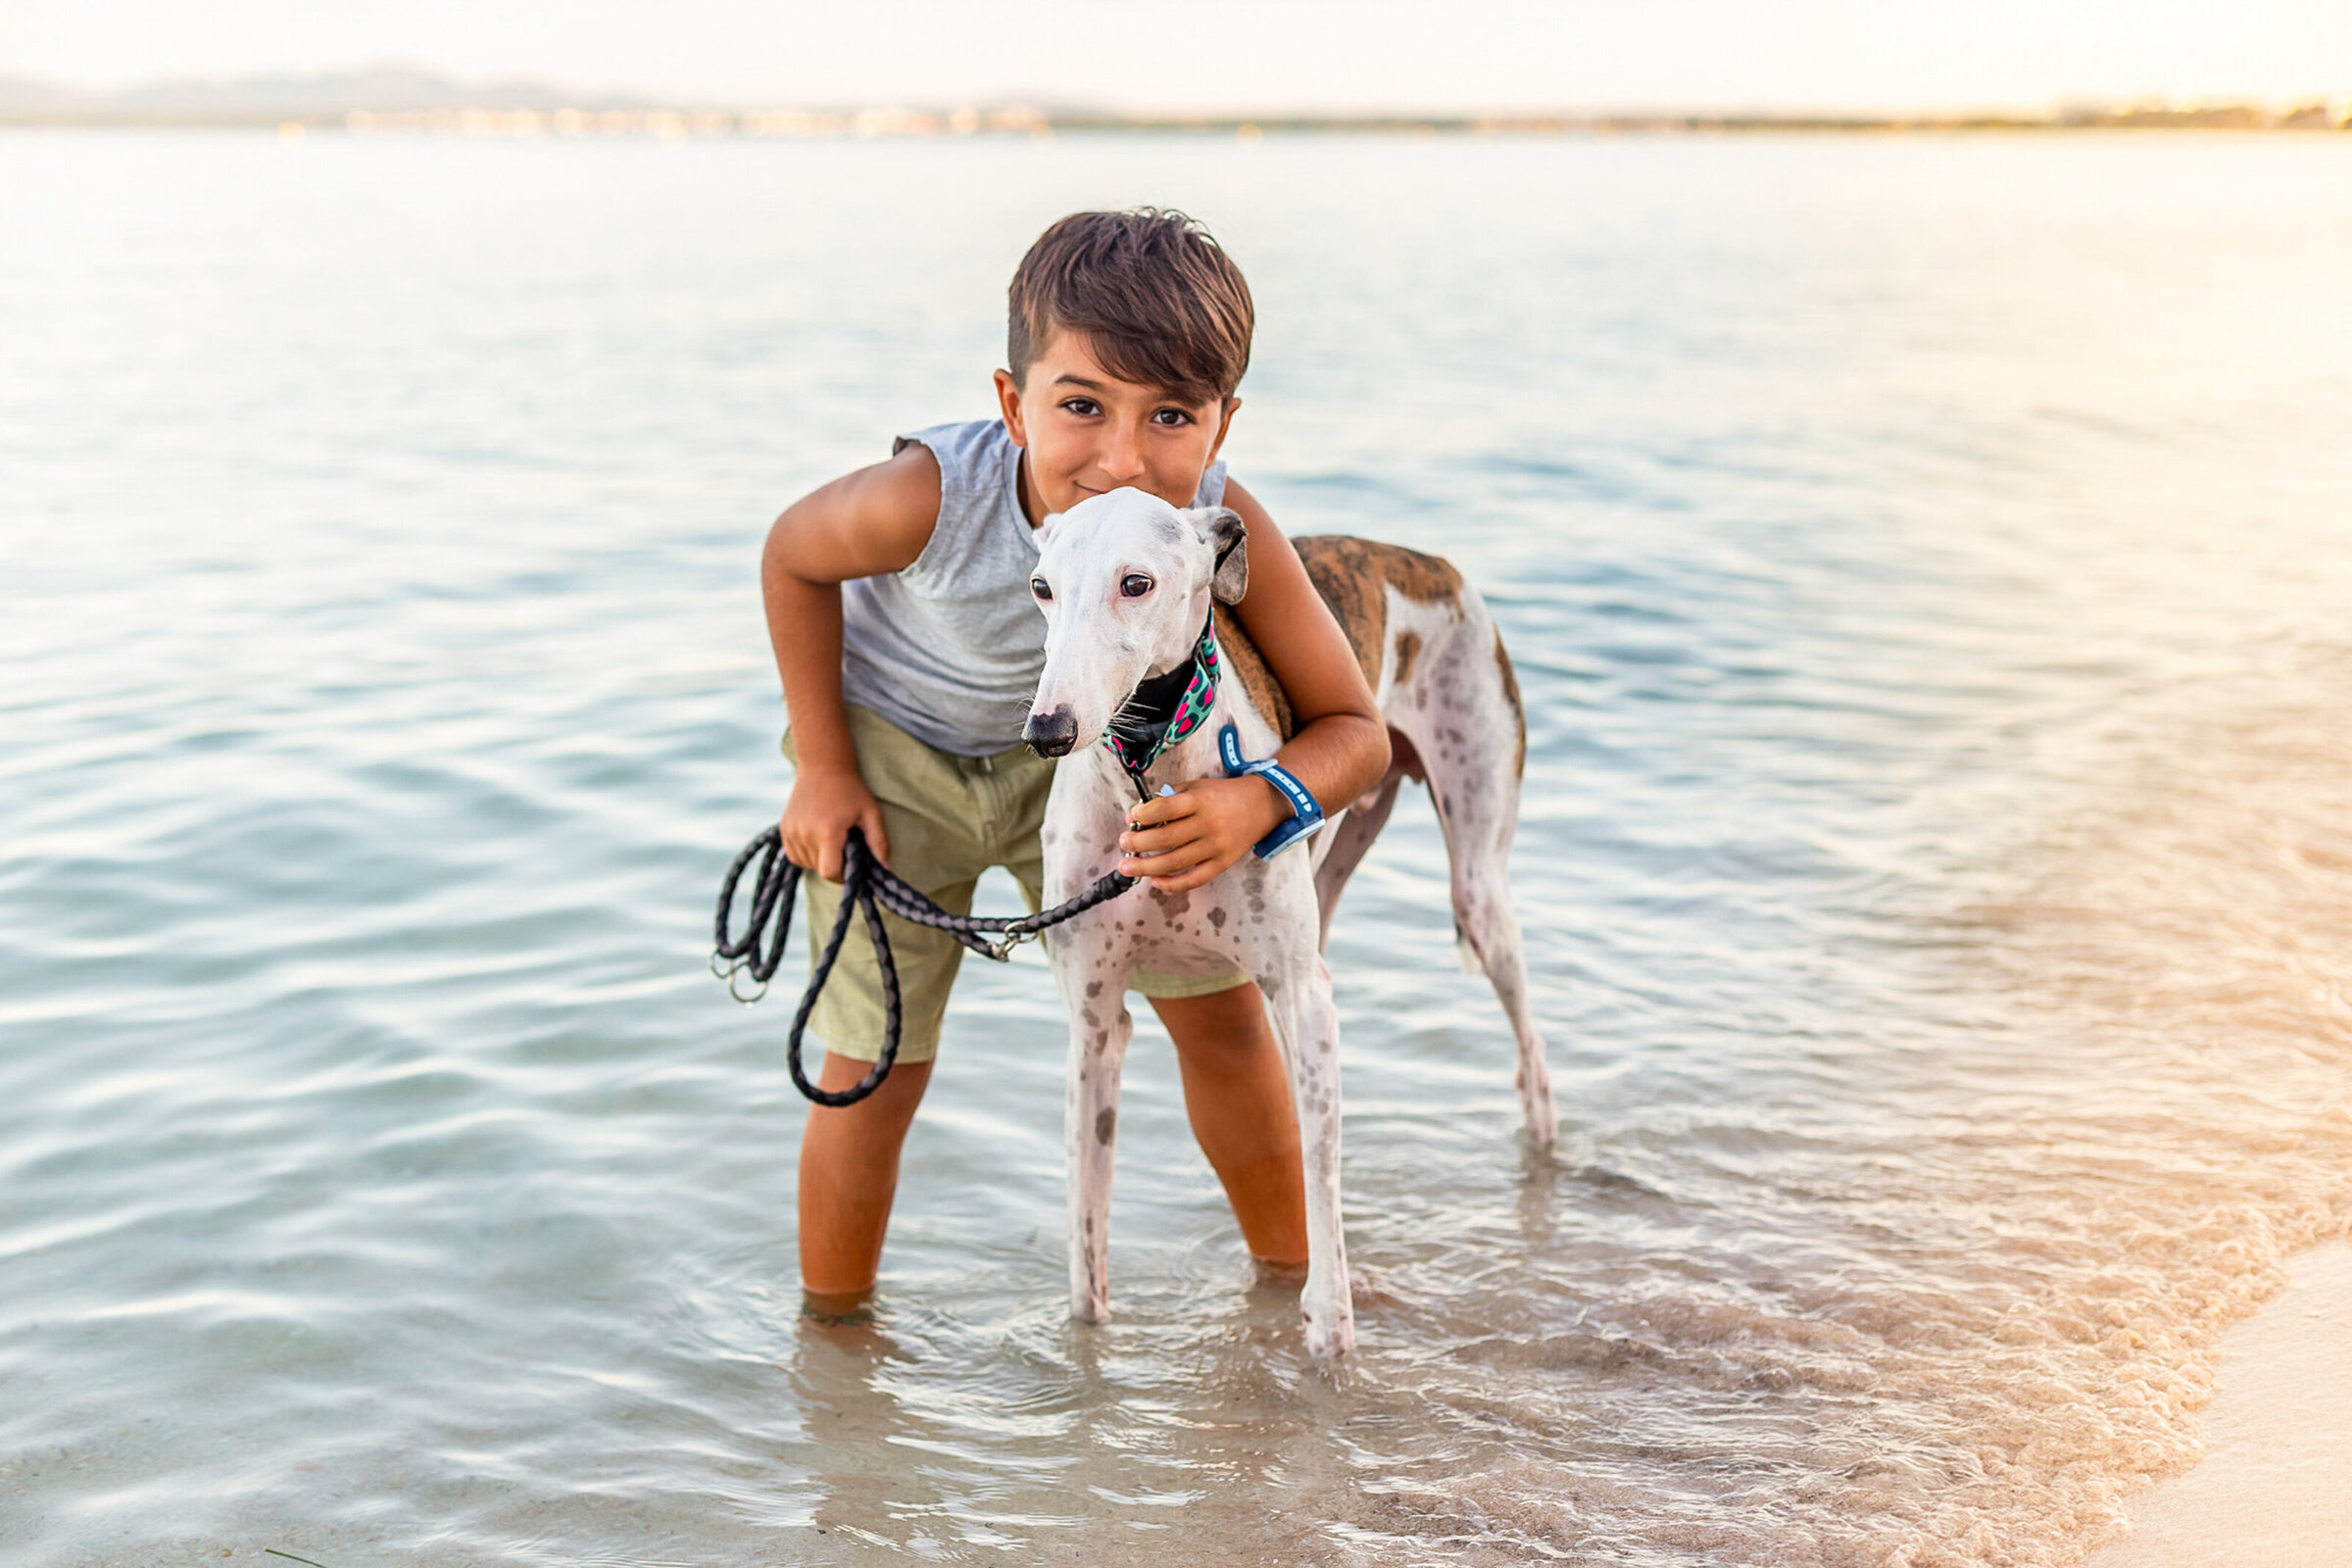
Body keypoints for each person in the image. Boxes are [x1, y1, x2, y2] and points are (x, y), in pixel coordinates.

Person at [760, 209, 1390, 1313]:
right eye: (1083, 406)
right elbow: (790, 557)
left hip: (1112, 776)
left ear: (1222, 426)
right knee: (875, 1062)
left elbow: (1354, 728)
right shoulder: (933, 497)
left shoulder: (1212, 522)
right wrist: (823, 766)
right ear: (1015, 406)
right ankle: (835, 1351)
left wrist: (1258, 803)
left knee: (1224, 1023)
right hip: (899, 762)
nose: (1123, 457)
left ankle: (1284, 1292)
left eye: (1171, 415)